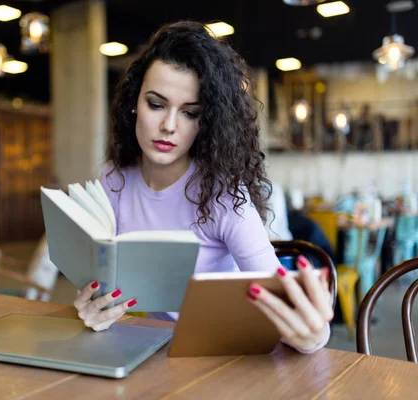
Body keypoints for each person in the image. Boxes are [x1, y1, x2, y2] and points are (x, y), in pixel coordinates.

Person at [73, 21, 333, 353]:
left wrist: (313, 335)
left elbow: (287, 303)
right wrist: (94, 311)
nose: (169, 126)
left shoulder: (224, 196)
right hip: (155, 351)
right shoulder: (113, 180)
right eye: (156, 104)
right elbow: (101, 286)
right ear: (134, 103)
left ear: (206, 122)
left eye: (190, 113)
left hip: (226, 354)